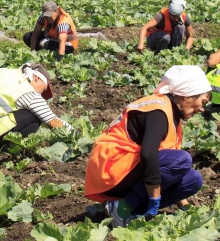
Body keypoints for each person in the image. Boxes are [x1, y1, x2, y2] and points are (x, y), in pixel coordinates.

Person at [84, 65, 211, 227]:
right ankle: (121, 208)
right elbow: (149, 155)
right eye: (203, 102)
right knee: (182, 160)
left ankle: (133, 212)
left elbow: (168, 170)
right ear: (186, 95)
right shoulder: (158, 111)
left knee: (193, 180)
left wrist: (185, 207)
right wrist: (155, 198)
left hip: (127, 169)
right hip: (112, 171)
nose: (201, 109)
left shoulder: (171, 114)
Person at [0, 63, 73, 151]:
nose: (41, 96)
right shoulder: (28, 93)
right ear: (36, 79)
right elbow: (53, 121)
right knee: (34, 116)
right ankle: (6, 149)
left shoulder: (2, 73)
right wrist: (77, 135)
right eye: (43, 90)